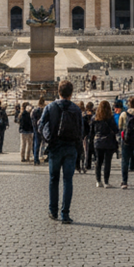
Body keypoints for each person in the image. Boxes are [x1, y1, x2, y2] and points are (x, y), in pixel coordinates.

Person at [40, 79, 83, 223]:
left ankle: (53, 211)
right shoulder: (76, 109)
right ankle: (65, 213)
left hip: (55, 147)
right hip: (70, 148)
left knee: (54, 179)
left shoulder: (50, 107)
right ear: (71, 93)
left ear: (58, 92)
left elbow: (41, 126)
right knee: (68, 180)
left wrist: (48, 138)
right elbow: (81, 131)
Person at [92, 100, 118, 188]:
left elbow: (92, 131)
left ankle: (98, 181)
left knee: (98, 161)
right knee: (107, 162)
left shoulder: (95, 118)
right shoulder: (110, 118)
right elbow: (115, 130)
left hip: (98, 141)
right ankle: (106, 181)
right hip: (108, 141)